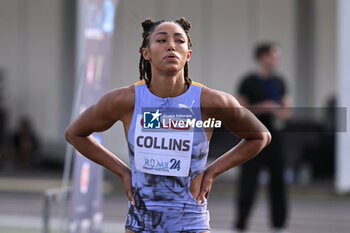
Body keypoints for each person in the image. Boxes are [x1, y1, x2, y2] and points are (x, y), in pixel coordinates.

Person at [65, 17, 271, 232]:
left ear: (188, 54)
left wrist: (213, 172)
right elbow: (75, 134)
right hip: (141, 224)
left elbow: (260, 136)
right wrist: (123, 172)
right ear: (146, 53)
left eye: (179, 41)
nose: (171, 45)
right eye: (161, 40)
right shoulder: (125, 100)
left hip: (191, 222)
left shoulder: (211, 101)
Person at [234, 42, 291, 232]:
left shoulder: (279, 82)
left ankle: (279, 224)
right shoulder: (248, 81)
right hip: (253, 136)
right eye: (273, 55)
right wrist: (262, 107)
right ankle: (241, 223)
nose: (276, 59)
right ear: (263, 57)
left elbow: (286, 111)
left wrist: (277, 110)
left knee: (278, 182)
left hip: (275, 138)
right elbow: (239, 109)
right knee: (248, 181)